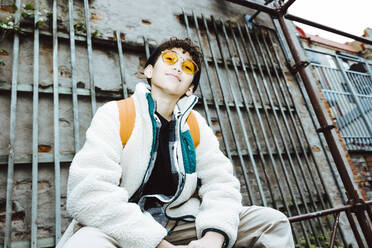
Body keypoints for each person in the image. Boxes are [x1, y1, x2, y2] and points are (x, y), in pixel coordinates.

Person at [56, 37, 294, 248]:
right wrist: (158, 244)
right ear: (149, 71)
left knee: (271, 222)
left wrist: (214, 237)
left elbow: (220, 183)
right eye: (169, 58)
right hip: (123, 227)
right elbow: (89, 193)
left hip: (181, 222)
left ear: (190, 88)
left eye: (187, 66)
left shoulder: (195, 125)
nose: (178, 66)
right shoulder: (117, 113)